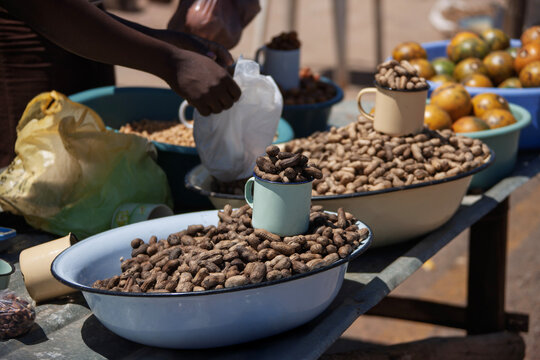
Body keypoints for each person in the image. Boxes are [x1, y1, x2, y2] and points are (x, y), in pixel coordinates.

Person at [0, 0, 241, 167]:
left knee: (88, 159)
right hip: (28, 30)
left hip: (90, 22)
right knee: (32, 164)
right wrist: (171, 61)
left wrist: (161, 41)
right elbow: (47, 8)